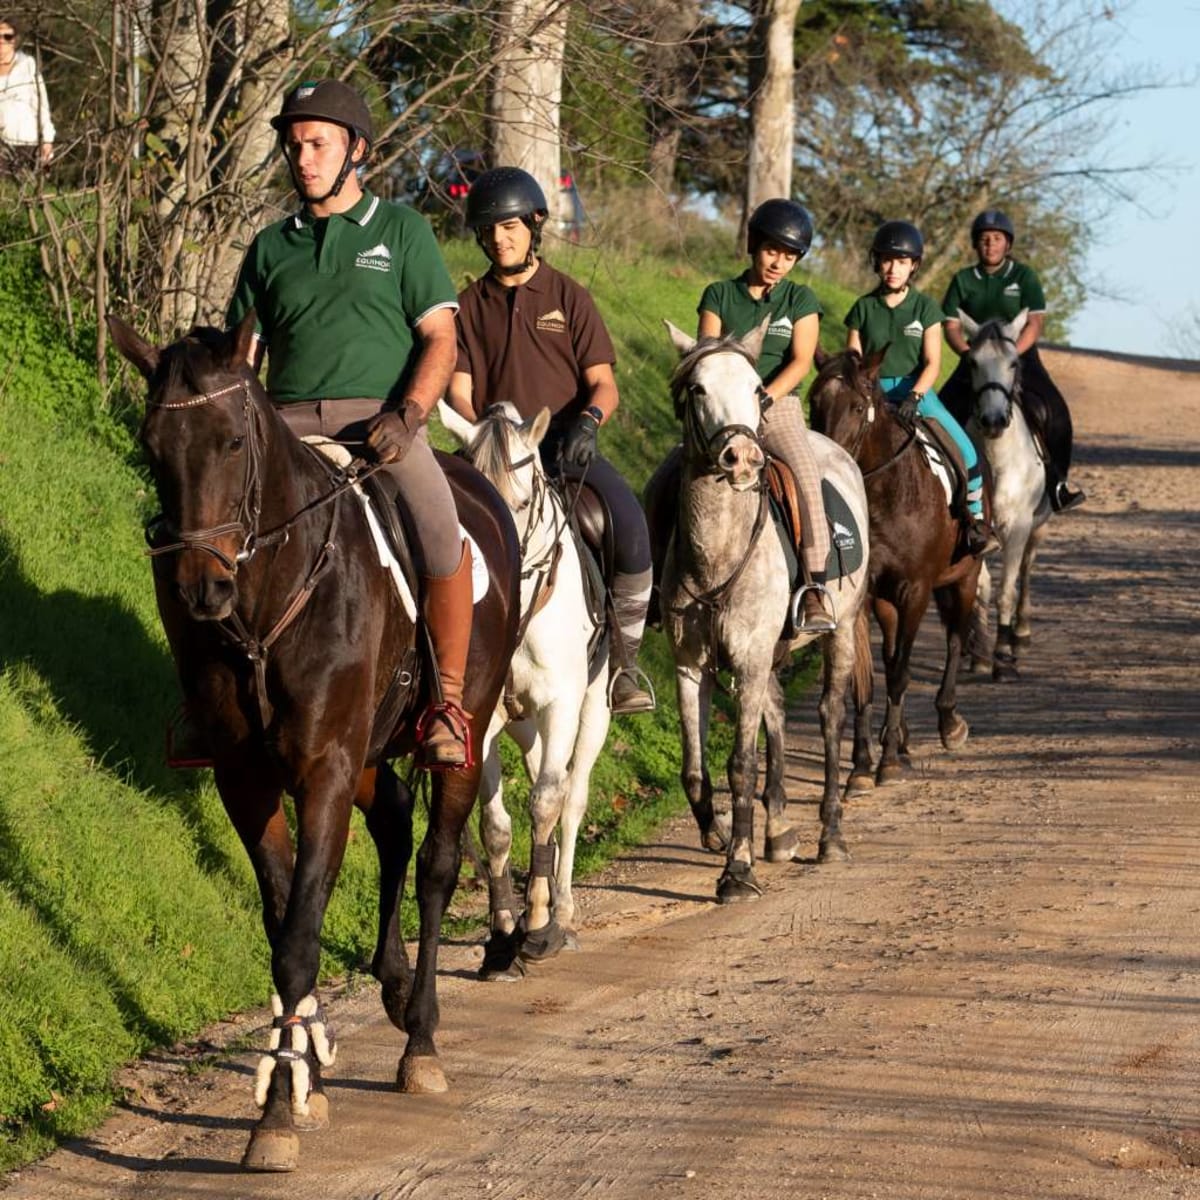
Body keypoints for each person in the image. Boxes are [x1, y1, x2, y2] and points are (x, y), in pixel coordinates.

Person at [226, 78, 472, 769]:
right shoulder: (270, 247)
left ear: (356, 149)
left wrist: (410, 416)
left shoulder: (402, 231)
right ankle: (207, 703)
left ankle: (447, 703)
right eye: (294, 145)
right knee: (208, 535)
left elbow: (440, 340)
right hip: (283, 427)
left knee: (438, 529)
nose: (302, 159)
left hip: (379, 426)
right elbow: (241, 357)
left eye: (318, 144)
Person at [446, 166, 656, 715]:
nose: (499, 238)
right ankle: (436, 670)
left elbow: (603, 383)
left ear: (535, 224)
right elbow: (460, 389)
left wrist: (588, 422)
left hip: (566, 451)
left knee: (630, 526)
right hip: (495, 457)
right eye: (489, 230)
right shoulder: (468, 306)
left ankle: (626, 665)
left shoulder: (568, 295)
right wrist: (485, 437)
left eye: (510, 226)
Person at [696, 197, 837, 633]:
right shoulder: (719, 294)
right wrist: (734, 403)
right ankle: (658, 586)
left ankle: (814, 586)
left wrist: (763, 397)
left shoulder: (801, 299)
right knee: (670, 478)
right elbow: (707, 355)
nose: (779, 262)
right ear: (754, 246)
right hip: (723, 412)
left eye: (790, 256)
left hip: (777, 407)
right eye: (773, 251)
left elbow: (800, 361)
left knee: (805, 476)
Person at [844, 220, 993, 557]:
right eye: (886, 260)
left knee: (968, 453)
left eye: (901, 262)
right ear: (877, 262)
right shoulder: (862, 308)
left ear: (913, 266)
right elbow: (854, 359)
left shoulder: (925, 308)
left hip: (917, 392)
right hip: (873, 392)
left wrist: (914, 397)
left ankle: (976, 522)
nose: (892, 268)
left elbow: (933, 363)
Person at [941, 209, 1085, 512]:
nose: (990, 244)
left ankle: (1057, 484)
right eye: (984, 239)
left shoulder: (1024, 277)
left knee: (1055, 410)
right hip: (976, 357)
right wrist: (968, 353)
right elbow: (951, 325)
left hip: (1019, 355)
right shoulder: (963, 279)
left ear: (1008, 244)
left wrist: (1013, 353)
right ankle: (943, 483)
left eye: (996, 239)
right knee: (942, 411)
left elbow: (1034, 322)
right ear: (976, 245)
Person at [0, 17, 54, 174]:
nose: (2, 42)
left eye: (7, 37)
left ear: (15, 40)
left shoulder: (27, 65)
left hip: (27, 144)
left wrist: (47, 139)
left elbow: (41, 105)